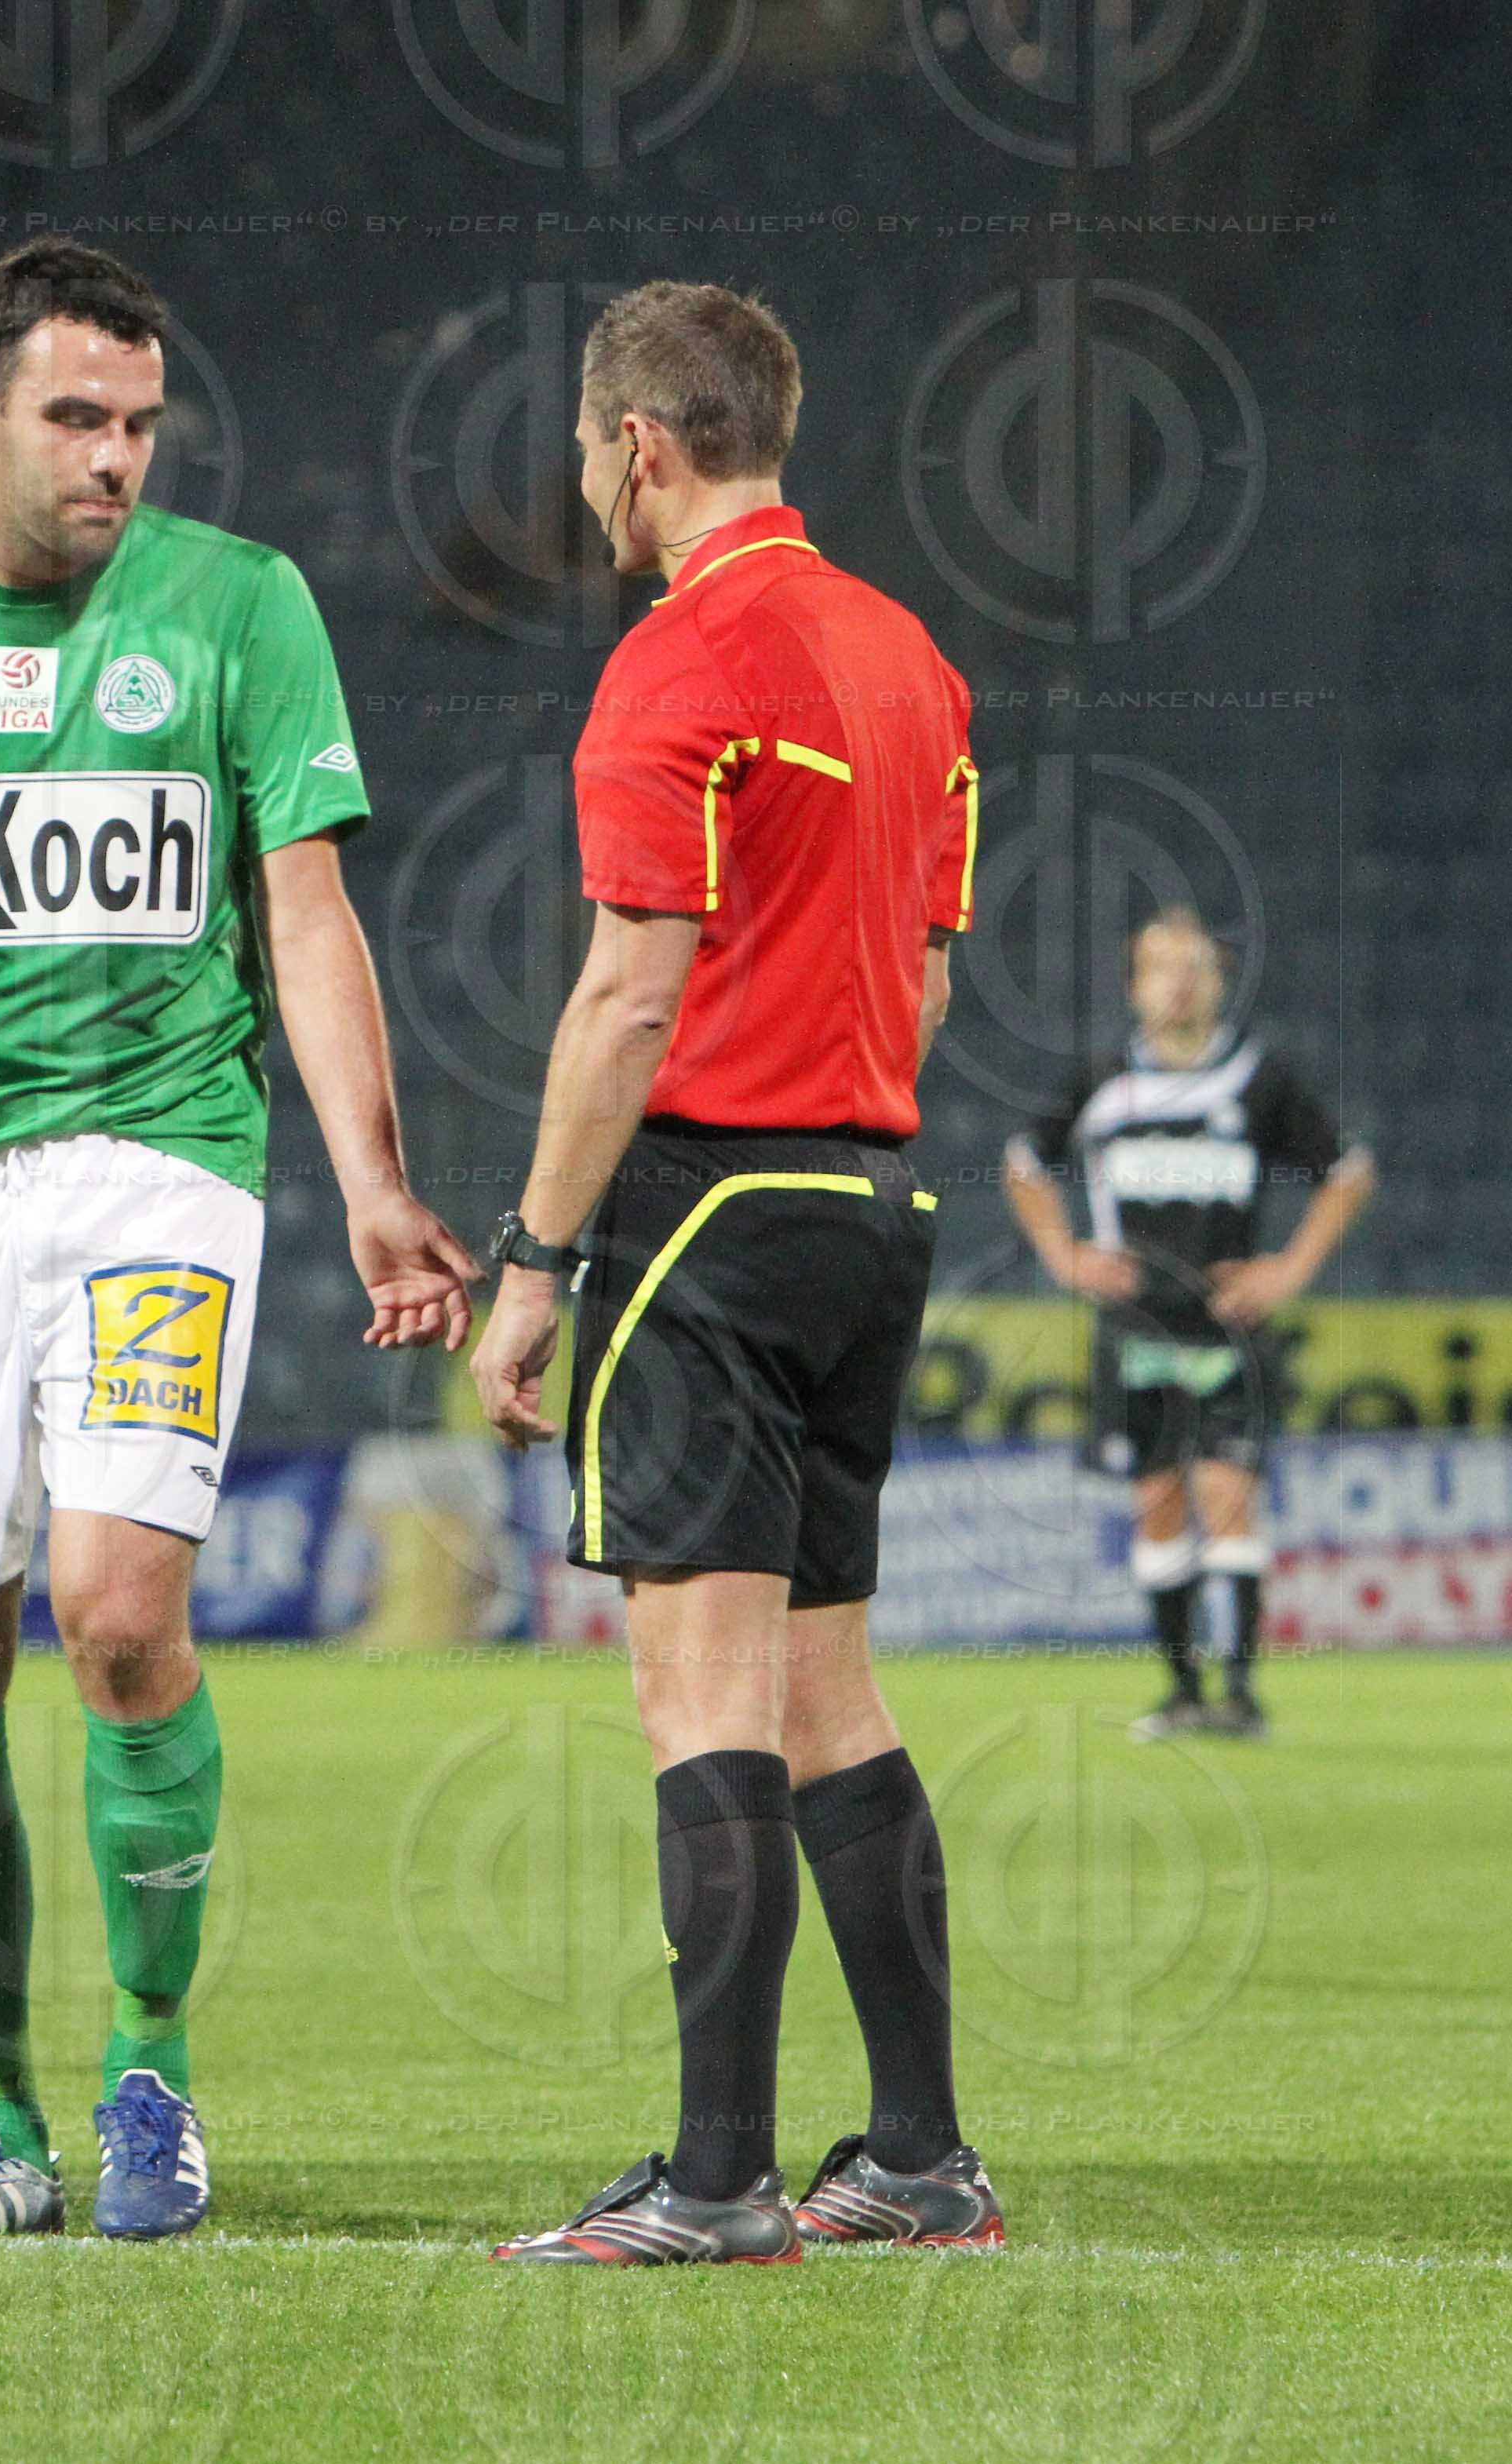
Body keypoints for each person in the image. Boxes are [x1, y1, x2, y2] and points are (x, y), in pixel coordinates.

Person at [0, 237, 475, 2242]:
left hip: (160, 1165)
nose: (116, 456)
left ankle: (151, 2072)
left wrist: (375, 1174)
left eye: (140, 421)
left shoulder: (239, 606)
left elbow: (302, 907)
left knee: (121, 1610)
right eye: (75, 416)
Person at [469, 282, 1003, 2263]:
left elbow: (626, 990)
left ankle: (715, 2179)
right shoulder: (911, 660)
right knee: (825, 1691)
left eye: (592, 450)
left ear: (641, 447)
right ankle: (921, 2156)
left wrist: (535, 1261)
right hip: (874, 1200)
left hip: (704, 1207)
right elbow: (929, 974)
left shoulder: (681, 659)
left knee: (699, 1695)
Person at [1007, 909, 1373, 1740]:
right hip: (1134, 1332)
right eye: (1159, 965)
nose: (1178, 980)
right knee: (1159, 1501)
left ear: (1218, 982)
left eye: (1195, 965)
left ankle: (1238, 1693)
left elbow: (1347, 1172)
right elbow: (1023, 1163)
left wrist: (1289, 1268)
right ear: (1134, 985)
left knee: (1227, 1496)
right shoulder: (1101, 1081)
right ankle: (1181, 1691)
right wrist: (1064, 1255)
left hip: (1227, 1329)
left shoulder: (1258, 1080)